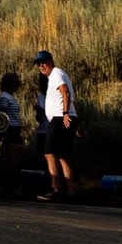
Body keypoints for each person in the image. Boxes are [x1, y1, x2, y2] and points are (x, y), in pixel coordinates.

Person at [34, 49, 77, 200]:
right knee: (63, 156)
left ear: (51, 62)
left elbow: (65, 92)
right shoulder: (56, 74)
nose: (41, 66)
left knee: (49, 153)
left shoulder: (56, 74)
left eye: (44, 62)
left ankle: (55, 189)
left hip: (59, 118)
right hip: (65, 117)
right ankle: (70, 192)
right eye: (39, 64)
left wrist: (65, 114)